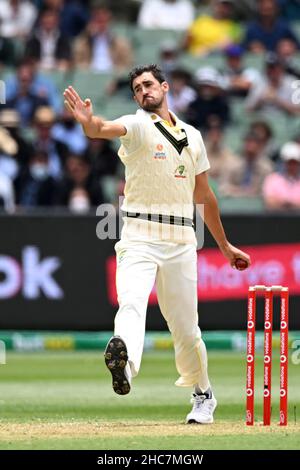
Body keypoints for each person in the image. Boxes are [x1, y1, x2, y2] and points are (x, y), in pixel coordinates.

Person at [63, 64, 251, 424]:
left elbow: (205, 197)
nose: (143, 91)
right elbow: (102, 128)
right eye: (136, 88)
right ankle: (125, 366)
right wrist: (89, 123)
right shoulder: (136, 125)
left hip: (182, 239)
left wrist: (225, 247)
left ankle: (203, 395)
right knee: (131, 303)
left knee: (185, 328)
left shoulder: (193, 136)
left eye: (148, 84)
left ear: (165, 87)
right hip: (138, 235)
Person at [263, 141, 300, 210]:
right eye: (289, 162)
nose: (292, 165)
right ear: (283, 162)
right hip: (276, 220)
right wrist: (292, 205)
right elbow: (269, 203)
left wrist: (284, 203)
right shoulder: (271, 179)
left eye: (295, 162)